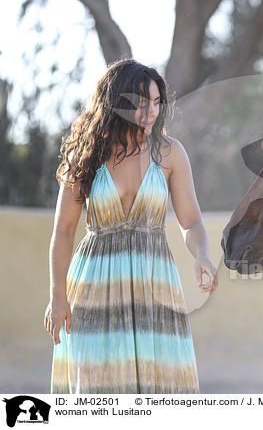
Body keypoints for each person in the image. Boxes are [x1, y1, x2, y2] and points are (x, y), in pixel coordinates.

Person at [44, 58, 218, 394]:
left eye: (156, 102)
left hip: (155, 285)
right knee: (97, 384)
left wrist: (202, 254)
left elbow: (191, 219)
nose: (152, 112)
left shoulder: (170, 154)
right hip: (95, 285)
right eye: (142, 103)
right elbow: (63, 231)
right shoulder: (87, 154)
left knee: (160, 385)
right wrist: (57, 295)